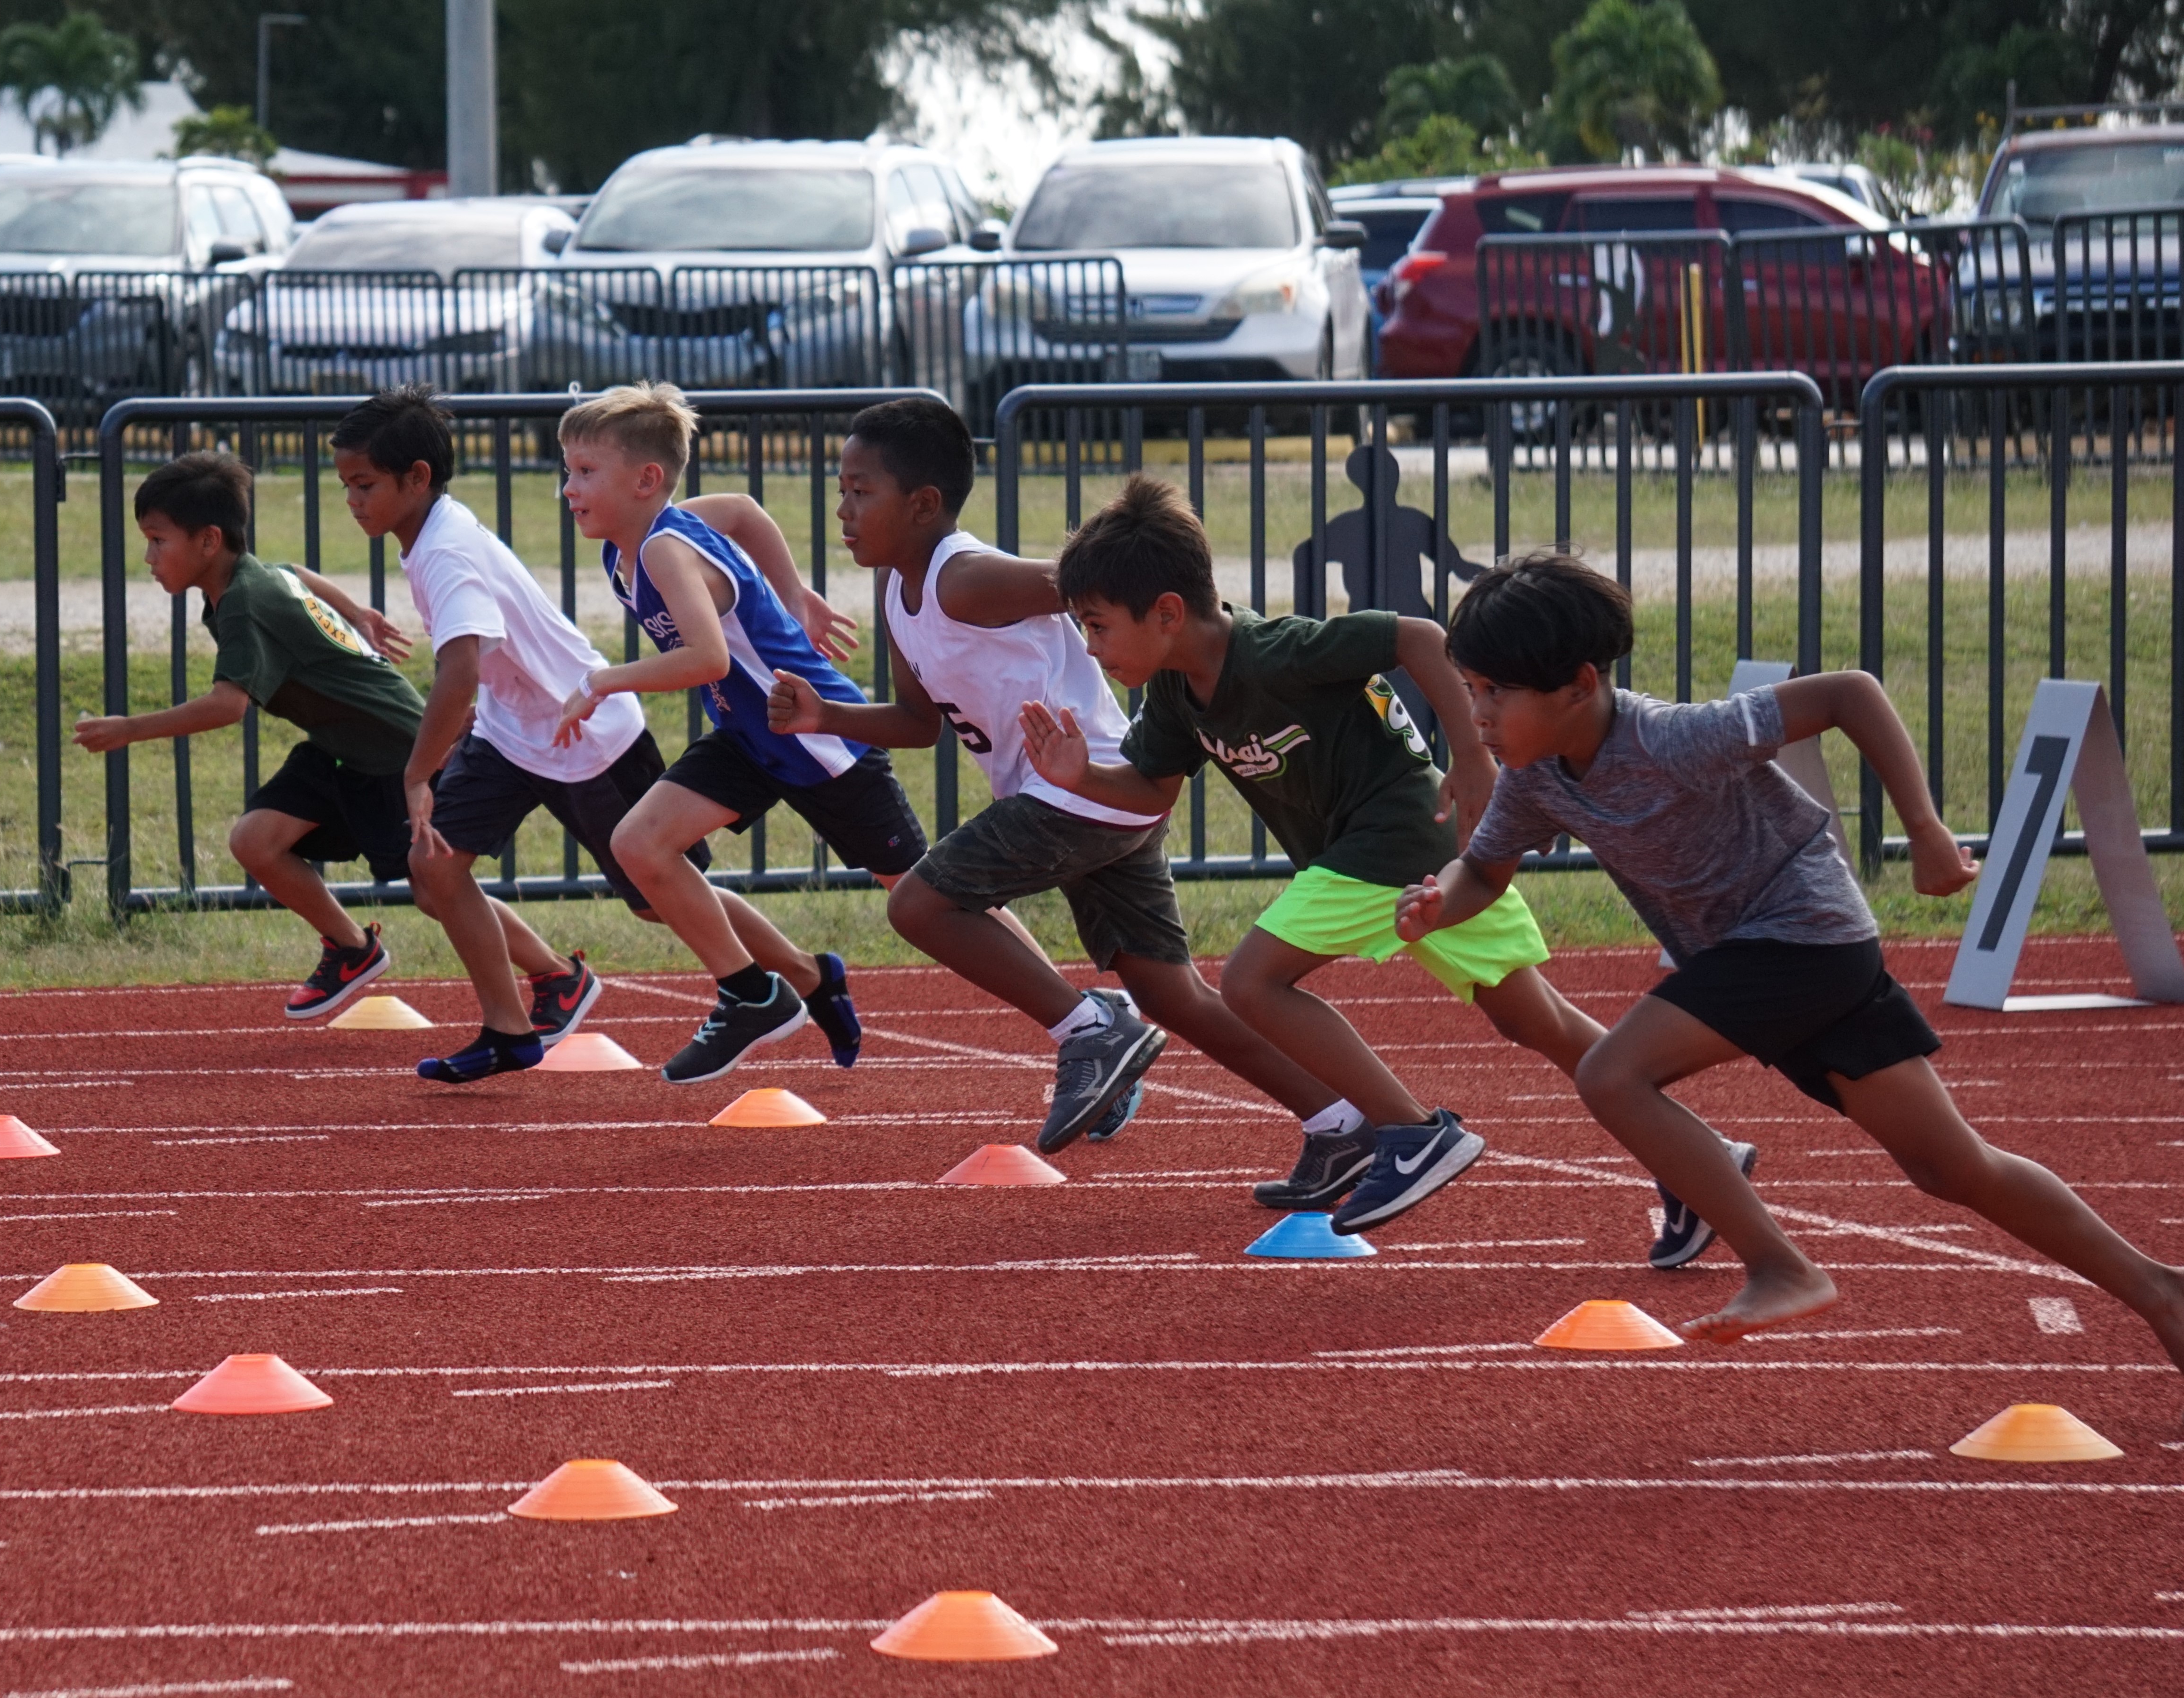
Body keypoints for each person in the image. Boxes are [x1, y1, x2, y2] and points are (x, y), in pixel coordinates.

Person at [1401, 552, 2184, 1357]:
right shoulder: (1536, 782)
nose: (1479, 714)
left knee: (1612, 1073)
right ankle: (2160, 1288)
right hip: (1796, 958)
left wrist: (1922, 830)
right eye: (1468, 691)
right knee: (1952, 1168)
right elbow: (1486, 871)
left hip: (1800, 936)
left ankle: (1779, 1264)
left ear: (1579, 684)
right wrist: (1439, 902)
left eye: (1496, 692)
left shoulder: (1674, 738)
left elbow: (1848, 693)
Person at [770, 396, 1360, 1154]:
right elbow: (919, 724)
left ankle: (1090, 1026)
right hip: (1098, 794)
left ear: (923, 505)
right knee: (1169, 992)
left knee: (919, 904)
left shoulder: (966, 579)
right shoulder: (897, 590)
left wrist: (1203, 624)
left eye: (860, 491)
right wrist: (826, 716)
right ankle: (1337, 1119)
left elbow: (1088, 578)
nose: (842, 510)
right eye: (840, 489)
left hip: (1087, 790)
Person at [1020, 477, 1608, 1238]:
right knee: (1535, 1019)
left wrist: (1468, 756)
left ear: (1166, 613)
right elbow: (1148, 790)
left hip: (1396, 833)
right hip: (1393, 855)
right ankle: (1697, 1154)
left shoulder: (1273, 653)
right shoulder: (1172, 693)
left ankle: (1411, 1131)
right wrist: (1081, 776)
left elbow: (1419, 638)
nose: (1092, 650)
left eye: (1096, 629)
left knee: (1251, 979)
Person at [553, 382, 921, 1085]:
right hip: (749, 736)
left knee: (925, 897)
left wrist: (604, 680)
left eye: (584, 471)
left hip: (815, 736)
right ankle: (753, 992)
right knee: (639, 844)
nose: (568, 488)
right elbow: (745, 514)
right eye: (566, 470)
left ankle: (1080, 1015)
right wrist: (793, 597)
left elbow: (708, 658)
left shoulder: (663, 549)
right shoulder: (633, 541)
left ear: (646, 479)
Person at [329, 385, 690, 1083]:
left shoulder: (445, 551)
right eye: (346, 485)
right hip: (512, 733)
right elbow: (478, 667)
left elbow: (459, 668)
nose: (352, 500)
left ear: (418, 479)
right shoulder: (430, 533)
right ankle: (512, 1027)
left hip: (585, 731)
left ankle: (789, 973)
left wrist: (415, 774)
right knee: (435, 870)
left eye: (364, 484)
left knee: (661, 898)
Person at [74, 449, 423, 1022]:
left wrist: (129, 729)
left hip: (392, 753)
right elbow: (300, 574)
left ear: (209, 541)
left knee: (438, 887)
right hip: (340, 749)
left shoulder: (243, 604)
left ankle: (552, 973)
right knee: (255, 841)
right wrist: (357, 612)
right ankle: (353, 949)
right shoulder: (255, 578)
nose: (149, 557)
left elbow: (227, 706)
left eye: (159, 541)